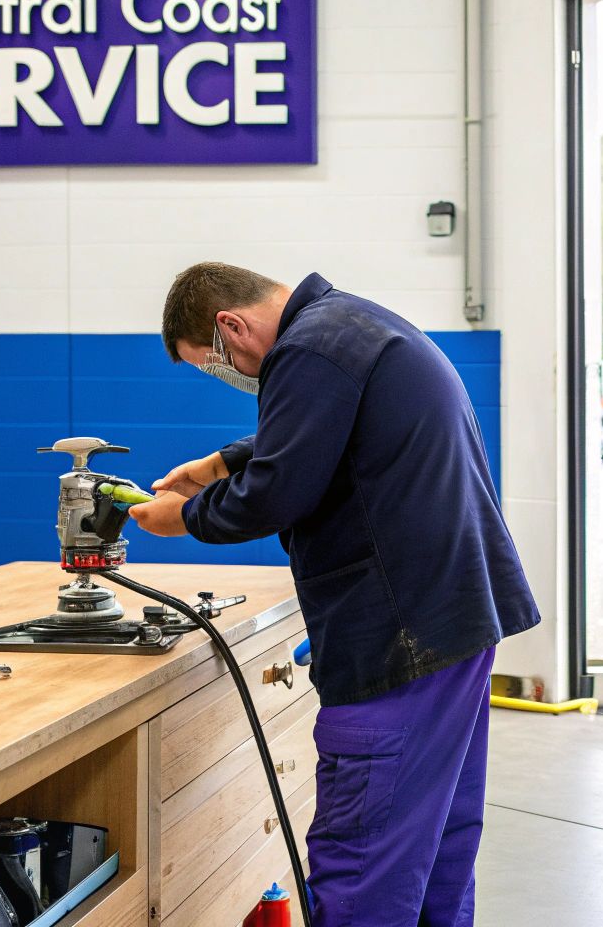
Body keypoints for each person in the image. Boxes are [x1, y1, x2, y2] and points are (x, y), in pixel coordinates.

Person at [128, 264, 540, 926]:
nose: (229, 374)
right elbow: (332, 434)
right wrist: (223, 464)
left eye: (215, 363)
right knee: (435, 843)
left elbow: (278, 492)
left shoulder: (308, 349)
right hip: (451, 624)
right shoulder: (352, 327)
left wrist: (187, 517)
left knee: (363, 857)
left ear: (230, 326)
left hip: (399, 643)